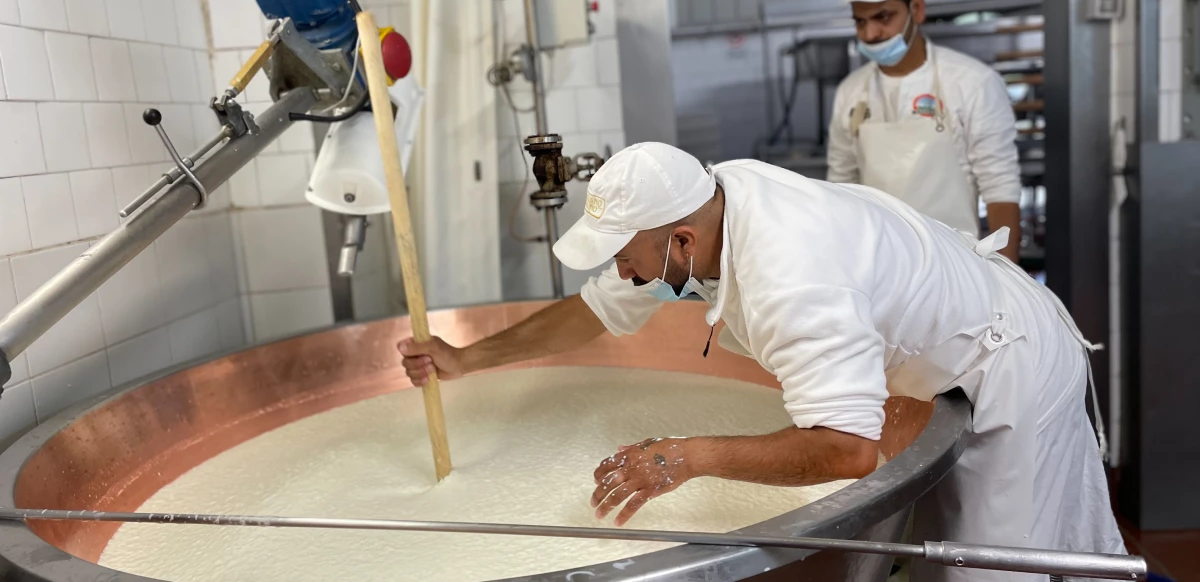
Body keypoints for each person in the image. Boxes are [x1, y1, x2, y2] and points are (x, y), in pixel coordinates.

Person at [398, 143, 1125, 581]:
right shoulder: (717, 196)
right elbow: (599, 310)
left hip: (1004, 372)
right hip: (941, 364)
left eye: (626, 257)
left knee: (1004, 570)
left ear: (681, 240)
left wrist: (685, 457)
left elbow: (847, 450)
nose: (620, 272)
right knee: (942, 563)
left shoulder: (791, 276)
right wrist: (467, 358)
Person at [827, 0, 1023, 262]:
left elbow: (1000, 189)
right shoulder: (851, 92)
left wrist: (1009, 285)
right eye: (860, 21)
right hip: (881, 265)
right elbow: (840, 188)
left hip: (957, 265)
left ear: (916, 9)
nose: (870, 34)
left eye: (883, 17)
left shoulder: (972, 82)